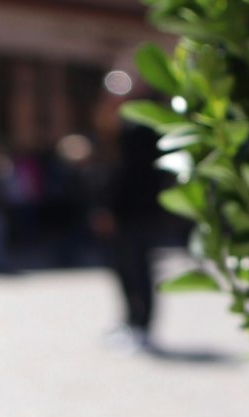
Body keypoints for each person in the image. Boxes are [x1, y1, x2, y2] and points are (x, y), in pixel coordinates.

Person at [94, 104, 167, 350]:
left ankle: (142, 325)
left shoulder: (137, 135)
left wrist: (112, 209)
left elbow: (128, 178)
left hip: (135, 214)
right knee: (125, 269)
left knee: (138, 269)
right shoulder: (116, 136)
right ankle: (132, 322)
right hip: (130, 214)